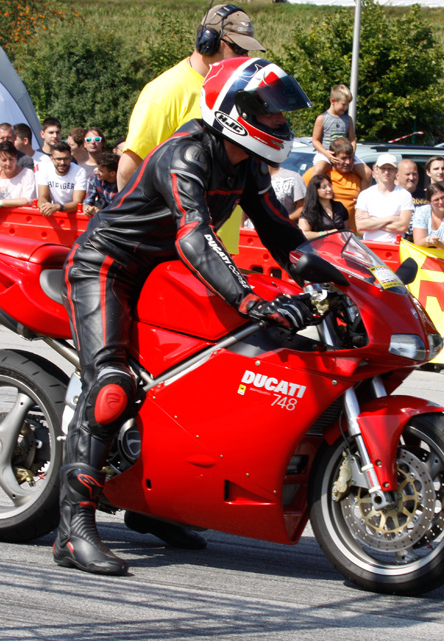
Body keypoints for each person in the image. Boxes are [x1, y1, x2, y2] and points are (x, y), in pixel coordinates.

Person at [56, 58, 311, 575]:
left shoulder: (247, 164)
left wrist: (342, 281)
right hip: (109, 266)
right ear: (235, 111)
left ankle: (157, 505)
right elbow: (194, 234)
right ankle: (72, 529)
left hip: (163, 273)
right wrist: (248, 299)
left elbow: (283, 235)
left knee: (201, 381)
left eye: (282, 115)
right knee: (111, 387)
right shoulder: (186, 153)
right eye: (271, 113)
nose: (281, 123)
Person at [115, 4, 265, 191]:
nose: (246, 58)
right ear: (208, 41)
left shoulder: (235, 89)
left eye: (248, 51)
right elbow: (128, 171)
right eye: (238, 49)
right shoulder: (166, 91)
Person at [309, 84, 370, 185]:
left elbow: (352, 139)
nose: (345, 108)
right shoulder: (322, 118)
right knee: (317, 171)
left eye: (347, 105)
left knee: (367, 173)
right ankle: (312, 194)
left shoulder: (348, 119)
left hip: (346, 154)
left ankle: (363, 195)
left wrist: (352, 154)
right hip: (327, 153)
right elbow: (315, 141)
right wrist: (327, 154)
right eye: (343, 104)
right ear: (333, 101)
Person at [302, 137, 364, 232]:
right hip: (321, 235)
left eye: (350, 158)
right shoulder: (318, 175)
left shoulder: (358, 177)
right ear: (332, 157)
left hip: (350, 235)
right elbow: (303, 202)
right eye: (343, 158)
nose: (348, 162)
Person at [355, 154, 413, 244]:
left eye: (390, 169)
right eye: (383, 168)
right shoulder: (365, 194)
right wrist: (390, 219)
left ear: (396, 171)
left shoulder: (405, 195)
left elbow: (403, 227)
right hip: (369, 246)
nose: (386, 172)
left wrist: (371, 221)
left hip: (395, 246)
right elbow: (360, 225)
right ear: (376, 170)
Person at [0, 141, 37, 219]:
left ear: (16, 157)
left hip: (20, 219)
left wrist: (1, 203)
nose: (8, 164)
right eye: (4, 160)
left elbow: (27, 200)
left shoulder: (27, 173)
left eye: (11, 159)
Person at [245, 162, 306, 229]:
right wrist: (241, 227)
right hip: (251, 231)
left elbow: (304, 207)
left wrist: (283, 221)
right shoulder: (249, 178)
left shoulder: (293, 177)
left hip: (281, 231)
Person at [36, 141, 86, 216]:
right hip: (55, 212)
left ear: (70, 158)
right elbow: (42, 197)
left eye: (65, 159)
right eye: (58, 159)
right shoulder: (45, 169)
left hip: (73, 214)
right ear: (52, 159)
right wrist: (44, 206)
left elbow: (78, 203)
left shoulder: (80, 171)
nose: (62, 163)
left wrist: (59, 207)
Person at [413, 182, 444, 249]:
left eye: (443, 197)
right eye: (436, 200)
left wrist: (438, 243)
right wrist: (428, 241)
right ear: (429, 203)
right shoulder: (421, 212)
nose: (441, 202)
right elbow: (418, 242)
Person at [297, 173, 348, 240]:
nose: (329, 189)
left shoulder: (339, 206)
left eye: (330, 185)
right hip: (320, 245)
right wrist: (325, 233)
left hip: (340, 244)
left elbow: (347, 231)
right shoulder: (308, 211)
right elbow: (304, 234)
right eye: (324, 187)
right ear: (315, 190)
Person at [82, 152, 119, 216]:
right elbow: (88, 200)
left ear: (112, 173)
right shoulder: (95, 177)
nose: (97, 172)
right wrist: (87, 208)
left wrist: (102, 213)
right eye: (97, 169)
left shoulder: (125, 183)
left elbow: (124, 209)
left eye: (101, 171)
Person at [396, 159, 423, 236]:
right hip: (398, 241)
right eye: (407, 174)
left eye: (414, 174)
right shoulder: (392, 196)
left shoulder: (427, 196)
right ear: (397, 176)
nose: (411, 177)